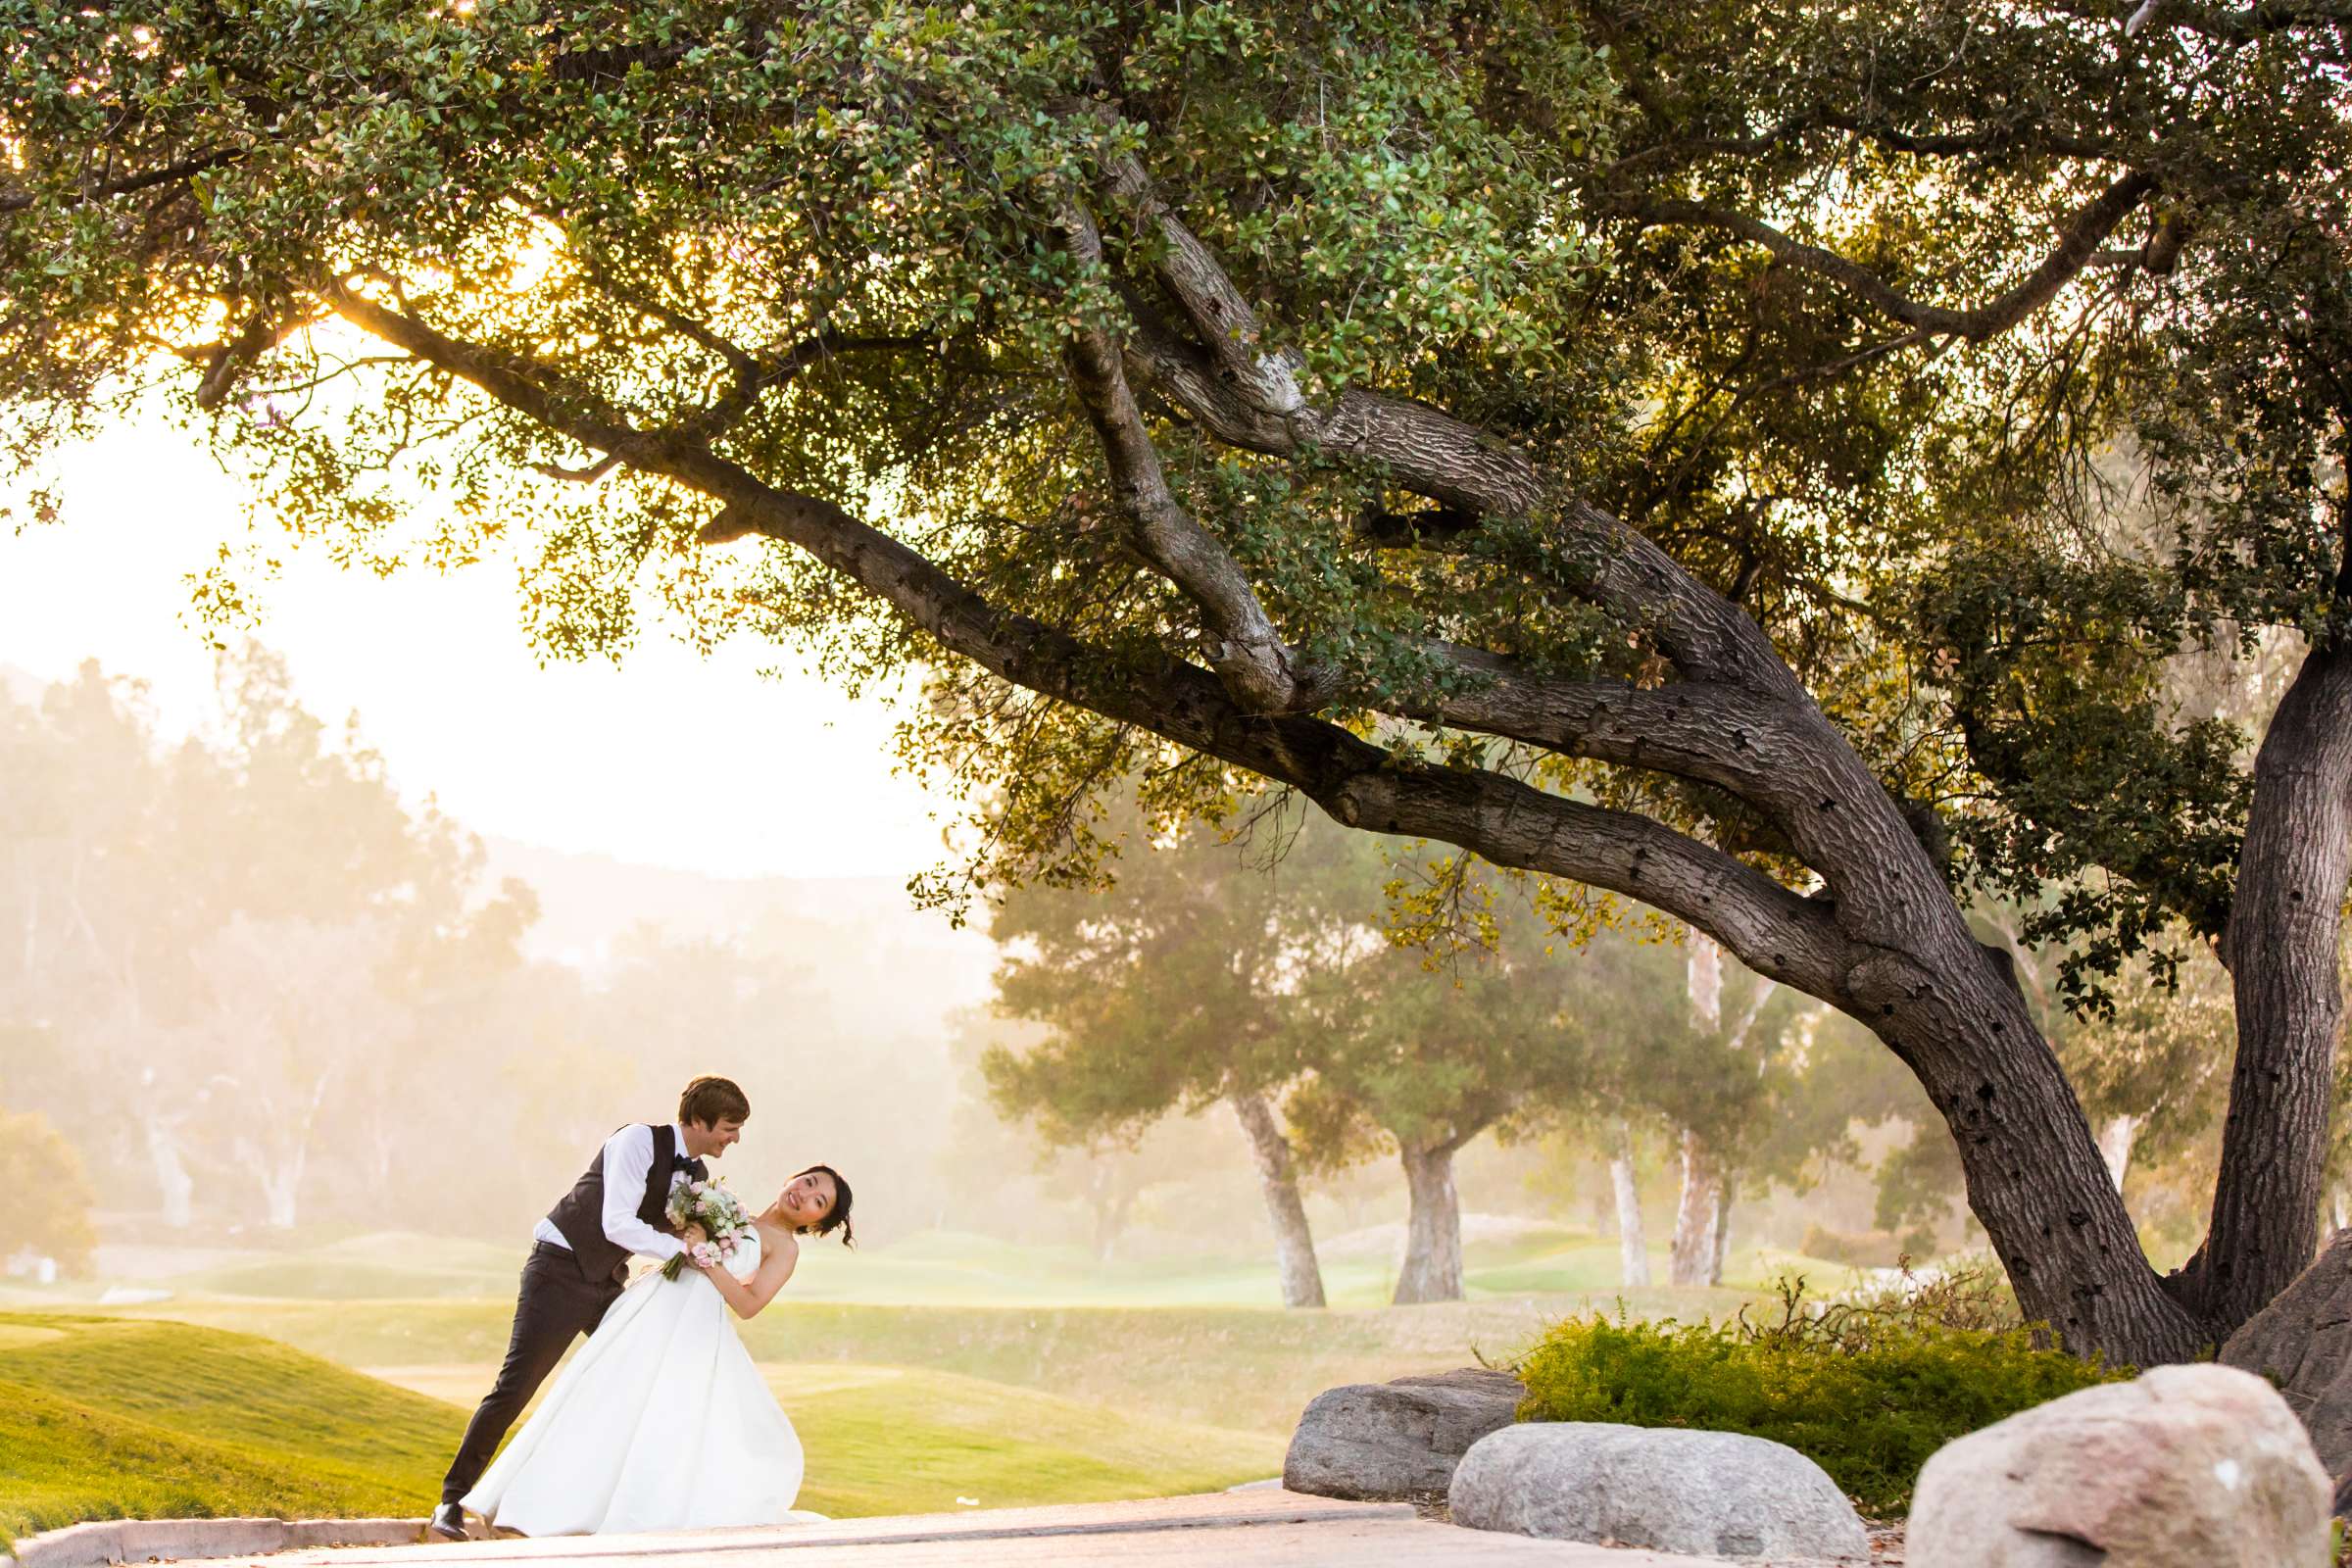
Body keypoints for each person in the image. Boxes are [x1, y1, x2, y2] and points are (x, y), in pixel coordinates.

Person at [430, 1075, 754, 1541]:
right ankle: (451, 1502)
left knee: (639, 1380)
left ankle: (587, 1502)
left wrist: (707, 1243)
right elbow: (617, 1222)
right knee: (516, 1387)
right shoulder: (637, 1140)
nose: (735, 1138)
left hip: (608, 1282)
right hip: (558, 1272)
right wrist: (684, 1252)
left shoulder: (698, 1178)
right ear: (700, 1120)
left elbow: (671, 1230)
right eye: (729, 1126)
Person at [458, 1163, 855, 1537]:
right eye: (808, 1182)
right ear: (793, 1179)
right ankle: (535, 1505)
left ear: (817, 1223)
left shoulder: (784, 1248)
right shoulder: (736, 1214)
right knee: (600, 1397)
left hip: (691, 1322)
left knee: (656, 1413)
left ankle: (610, 1511)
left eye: (819, 1201)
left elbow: (749, 1304)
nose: (805, 1195)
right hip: (651, 1303)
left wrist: (705, 1256)